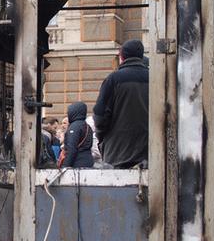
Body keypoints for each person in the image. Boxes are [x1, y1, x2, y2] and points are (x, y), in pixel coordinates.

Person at [93, 39, 149, 169]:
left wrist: (102, 138)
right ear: (141, 56)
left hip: (118, 152)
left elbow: (100, 116)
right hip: (148, 152)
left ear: (121, 57)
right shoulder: (154, 78)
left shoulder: (113, 79)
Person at [60, 102, 94, 168]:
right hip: (88, 161)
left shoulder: (74, 126)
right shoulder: (87, 126)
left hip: (77, 163)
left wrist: (65, 165)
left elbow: (71, 148)